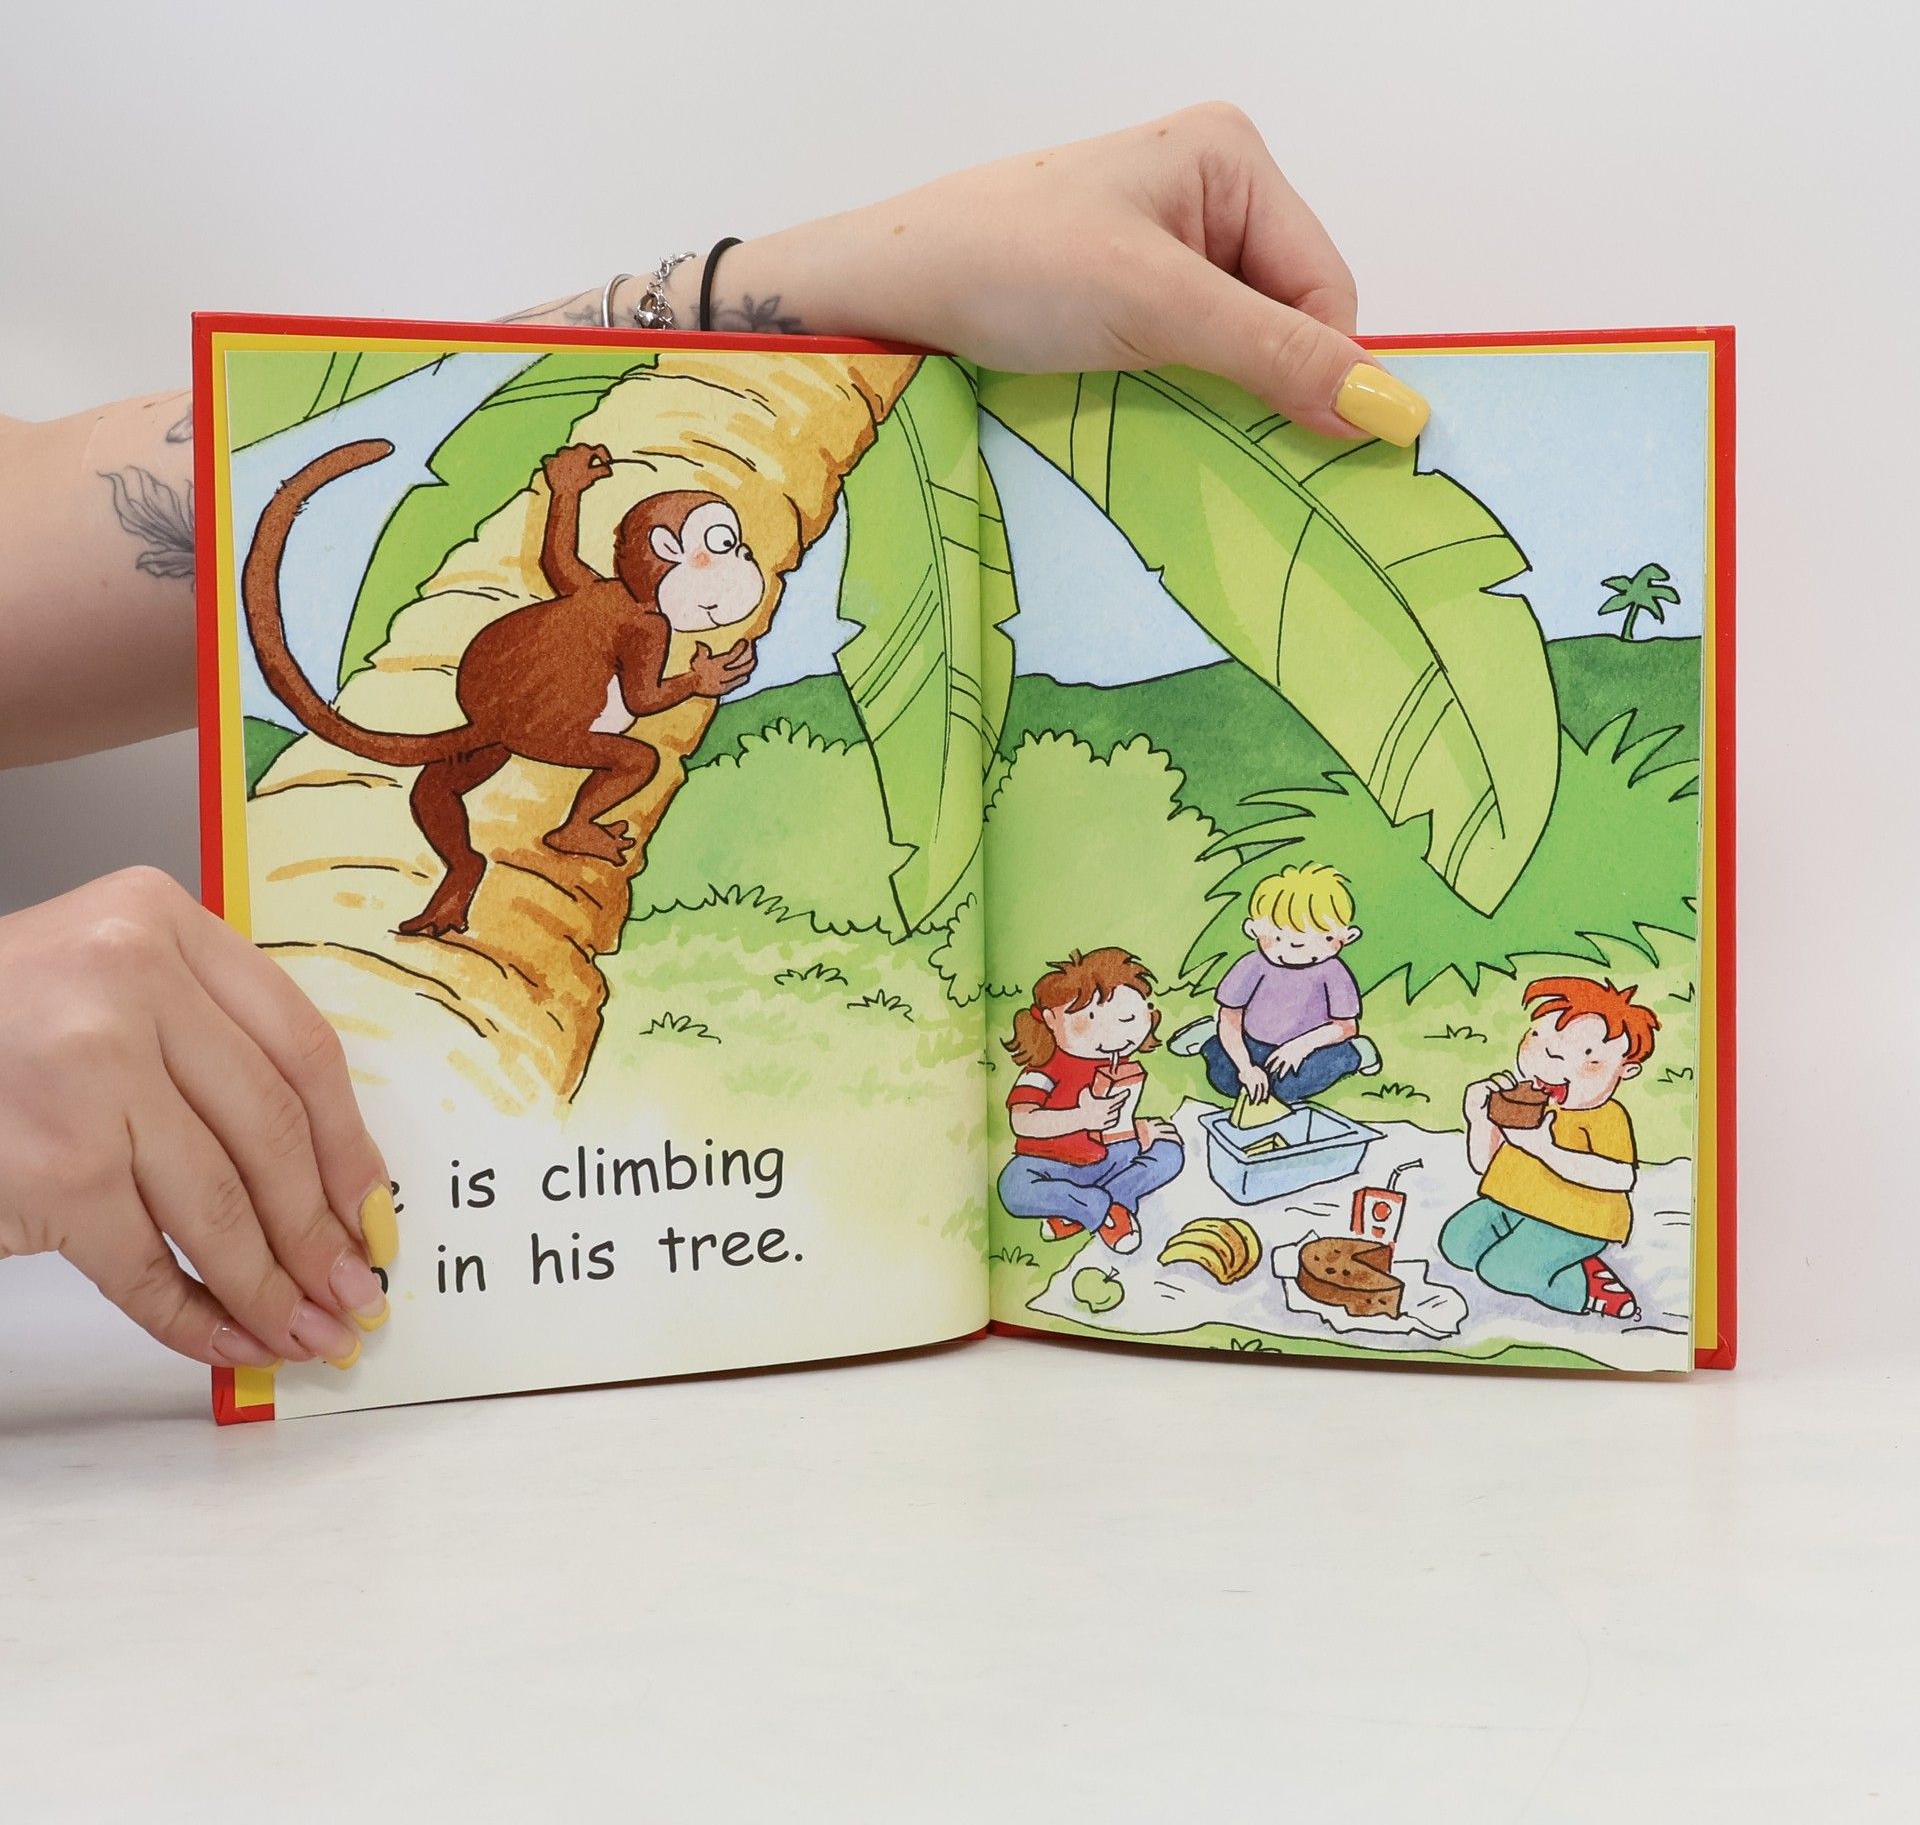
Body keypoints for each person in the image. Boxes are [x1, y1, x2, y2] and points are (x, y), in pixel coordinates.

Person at [0, 103, 1430, 1369]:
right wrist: (697, 654)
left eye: (718, 548)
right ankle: (520, 854)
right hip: (516, 741)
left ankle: (471, 871)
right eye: (689, 547)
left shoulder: (615, 596)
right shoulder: (630, 620)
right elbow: (627, 676)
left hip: (495, 725)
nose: (709, 565)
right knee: (586, 775)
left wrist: (829, 282)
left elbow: (69, 532)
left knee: (471, 802)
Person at [1439, 976, 1658, 1321]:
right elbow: (1484, 1165)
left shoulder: (1605, 1116)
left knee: (1502, 1270)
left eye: (1587, 1057)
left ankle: (1587, 1288)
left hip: (1579, 1221)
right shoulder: (1525, 1103)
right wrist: (1479, 1119)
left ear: (1625, 1070)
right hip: (1514, 1204)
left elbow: (1620, 1177)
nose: (1551, 1056)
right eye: (1538, 1038)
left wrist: (1545, 1149)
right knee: (1458, 1244)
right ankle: (1563, 1260)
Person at [996, 949, 1183, 1256]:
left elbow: (1118, 1122)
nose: (1114, 1035)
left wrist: (1139, 1130)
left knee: (1170, 1153)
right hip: (1050, 1164)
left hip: (1110, 1156)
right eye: (1091, 1018)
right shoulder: (1044, 1069)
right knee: (1013, 1187)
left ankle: (1078, 1212)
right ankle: (1103, 1207)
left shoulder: (1119, 1063)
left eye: (1127, 1018)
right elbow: (1022, 1120)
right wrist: (1081, 1117)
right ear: (1051, 1019)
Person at [1186, 862, 1378, 1105]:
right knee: (1225, 1079)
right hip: (1253, 1040)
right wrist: (1246, 1068)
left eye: (1323, 937)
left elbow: (1345, 1026)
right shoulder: (1251, 965)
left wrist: (1300, 1046)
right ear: (1254, 930)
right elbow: (1231, 1015)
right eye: (1278, 937)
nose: (1297, 947)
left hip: (1311, 1045)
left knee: (1286, 1089)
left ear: (1346, 937)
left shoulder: (1334, 972)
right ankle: (1210, 1035)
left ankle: (1358, 1052)